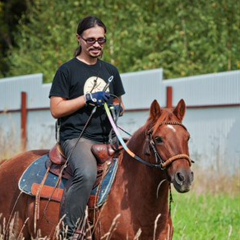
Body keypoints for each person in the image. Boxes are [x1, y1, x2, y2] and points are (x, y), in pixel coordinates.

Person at [49, 16, 125, 239]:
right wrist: (87, 98)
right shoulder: (67, 71)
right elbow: (56, 108)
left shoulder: (111, 71)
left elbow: (120, 102)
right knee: (86, 172)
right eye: (91, 40)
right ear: (79, 39)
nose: (96, 45)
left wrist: (116, 107)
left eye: (101, 40)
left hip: (107, 137)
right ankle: (70, 231)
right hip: (76, 137)